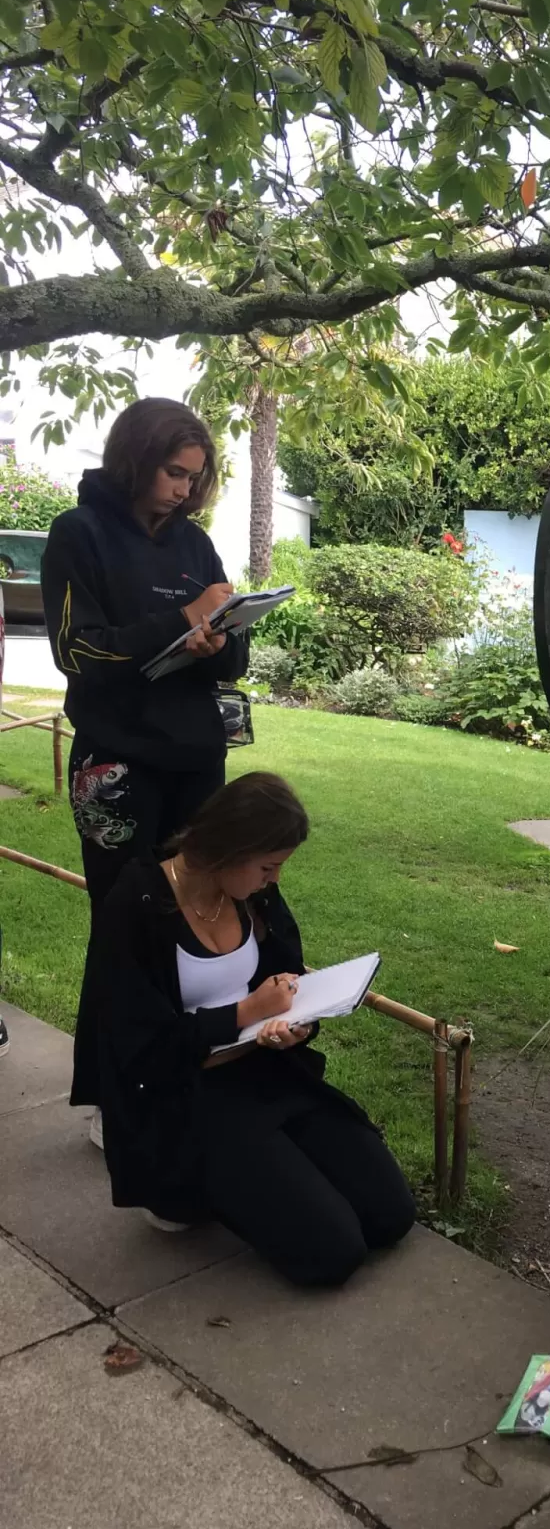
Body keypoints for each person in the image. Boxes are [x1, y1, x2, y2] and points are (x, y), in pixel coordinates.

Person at [86, 771, 415, 1286]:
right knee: (333, 1254)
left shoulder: (253, 898)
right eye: (268, 866)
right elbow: (139, 1044)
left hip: (269, 1074)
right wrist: (245, 1013)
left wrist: (295, 1024)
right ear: (228, 849)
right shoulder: (137, 903)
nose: (275, 879)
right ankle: (197, 1186)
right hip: (190, 1095)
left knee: (391, 1215)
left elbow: (286, 979)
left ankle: (266, 1175)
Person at [40, 398, 250, 1123]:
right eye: (173, 473)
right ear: (136, 460)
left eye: (194, 478)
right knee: (125, 926)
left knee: (199, 918)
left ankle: (189, 1077)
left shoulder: (195, 544)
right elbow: (77, 650)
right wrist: (179, 620)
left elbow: (234, 659)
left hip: (196, 762)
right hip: (119, 767)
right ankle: (115, 1099)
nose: (184, 491)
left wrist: (218, 639)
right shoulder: (79, 533)